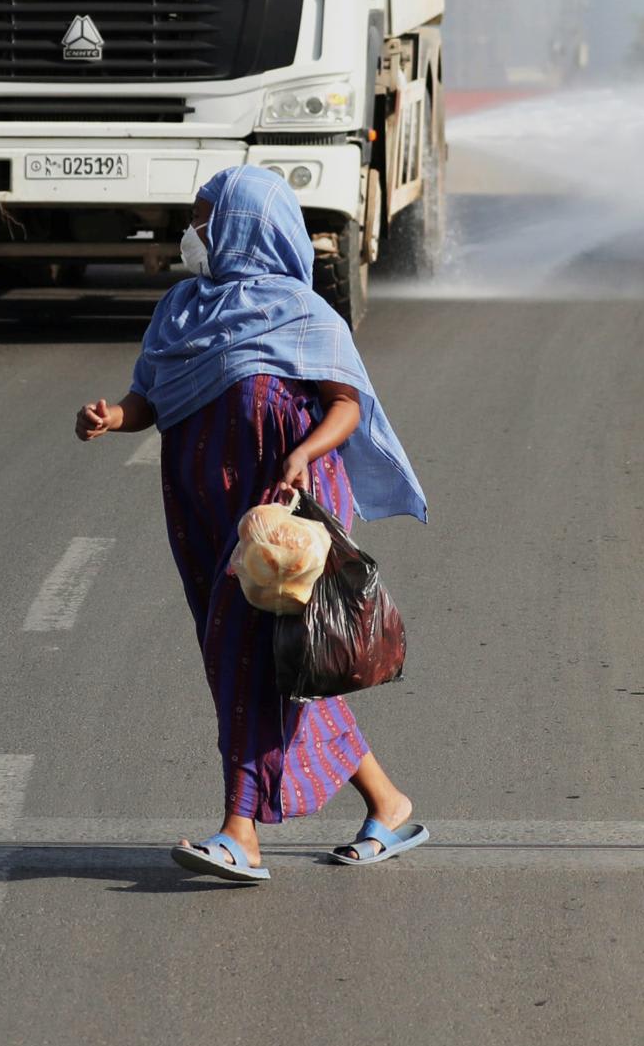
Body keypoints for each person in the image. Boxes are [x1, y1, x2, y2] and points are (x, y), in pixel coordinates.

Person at [72, 166, 431, 883]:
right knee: (272, 662)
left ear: (246, 228)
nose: (194, 233)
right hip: (203, 513)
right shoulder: (180, 308)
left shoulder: (302, 311)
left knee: (240, 652)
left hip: (278, 511)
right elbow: (151, 395)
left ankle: (241, 833)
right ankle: (388, 803)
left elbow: (347, 406)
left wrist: (302, 452)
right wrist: (114, 417)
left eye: (206, 219)